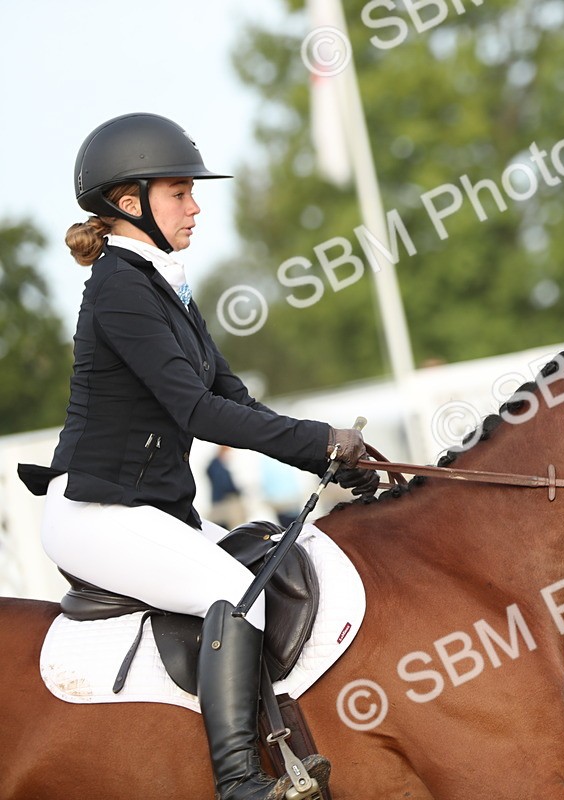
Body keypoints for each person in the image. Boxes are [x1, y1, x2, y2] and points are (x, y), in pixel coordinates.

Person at [18, 113, 378, 800]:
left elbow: (231, 396)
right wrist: (318, 440)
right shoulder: (120, 288)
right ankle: (238, 781)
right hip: (97, 513)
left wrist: (329, 455)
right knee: (236, 596)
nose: (195, 207)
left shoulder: (165, 284)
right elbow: (197, 411)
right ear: (130, 203)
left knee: (268, 566)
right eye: (180, 193)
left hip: (151, 510)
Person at [206, 446, 247, 529]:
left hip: (221, 502)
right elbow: (224, 484)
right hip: (223, 503)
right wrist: (235, 490)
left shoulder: (219, 466)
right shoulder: (217, 467)